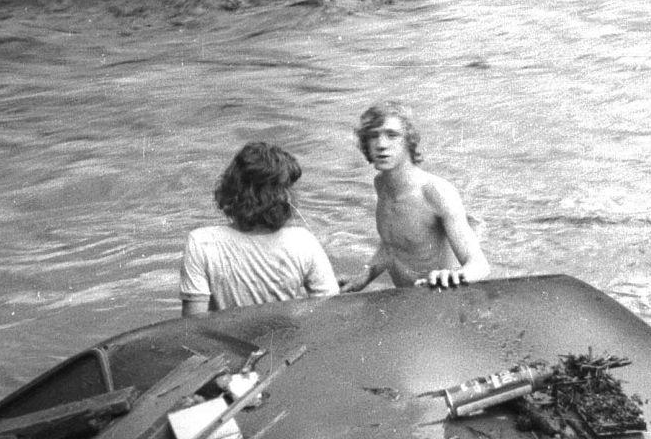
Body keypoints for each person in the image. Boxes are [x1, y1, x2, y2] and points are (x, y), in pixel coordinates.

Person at [343, 101, 490, 291]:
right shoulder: (381, 184)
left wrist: (454, 276)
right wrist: (364, 277)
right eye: (373, 136)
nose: (381, 144)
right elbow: (392, 244)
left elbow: (480, 266)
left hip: (442, 298)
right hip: (407, 299)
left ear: (408, 141)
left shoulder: (436, 192)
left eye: (392, 135)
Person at [180, 142, 338, 314]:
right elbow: (331, 311)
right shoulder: (303, 241)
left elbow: (193, 323)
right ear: (283, 197)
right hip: (285, 331)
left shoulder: (202, 242)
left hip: (228, 332)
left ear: (231, 189)